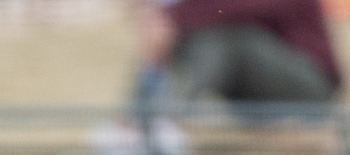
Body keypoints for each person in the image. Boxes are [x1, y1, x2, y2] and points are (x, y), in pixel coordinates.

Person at [138, 0, 339, 106]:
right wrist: (162, 23)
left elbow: (242, 7)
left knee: (231, 37)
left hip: (311, 83)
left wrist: (171, 18)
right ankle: (141, 113)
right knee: (183, 35)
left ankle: (170, 117)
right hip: (257, 89)